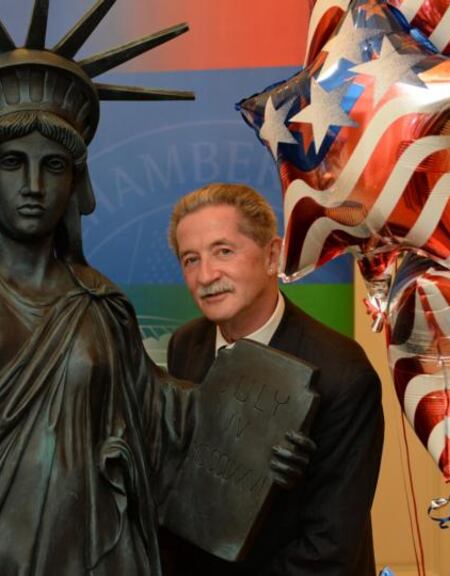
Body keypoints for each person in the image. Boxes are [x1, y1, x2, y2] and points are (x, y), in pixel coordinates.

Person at [0, 2, 310, 574]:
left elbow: (164, 426)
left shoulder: (100, 307)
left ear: (75, 183)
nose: (33, 185)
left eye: (54, 165)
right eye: (10, 163)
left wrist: (259, 444)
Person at [161, 183, 384, 575]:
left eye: (223, 251)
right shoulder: (186, 345)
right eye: (190, 260)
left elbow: (329, 548)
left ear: (272, 255)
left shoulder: (343, 373)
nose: (206, 275)